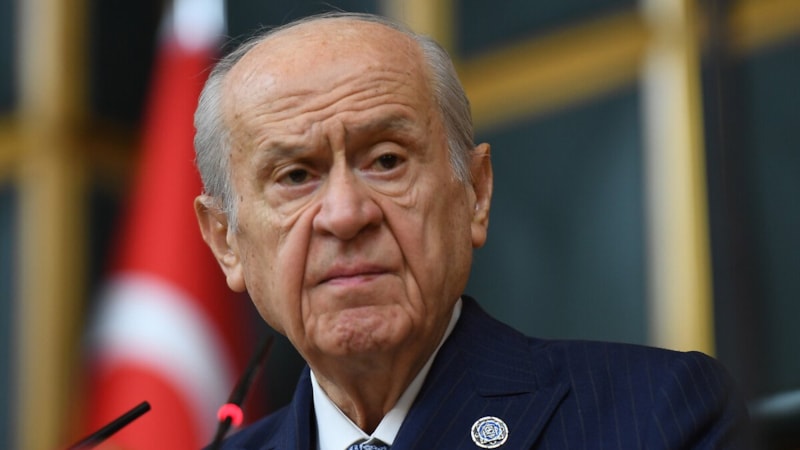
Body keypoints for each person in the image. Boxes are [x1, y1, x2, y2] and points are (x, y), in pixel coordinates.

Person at [193, 12, 750, 450]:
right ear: (225, 241)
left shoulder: (656, 414)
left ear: (475, 194)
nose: (345, 214)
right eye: (295, 176)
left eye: (387, 161)